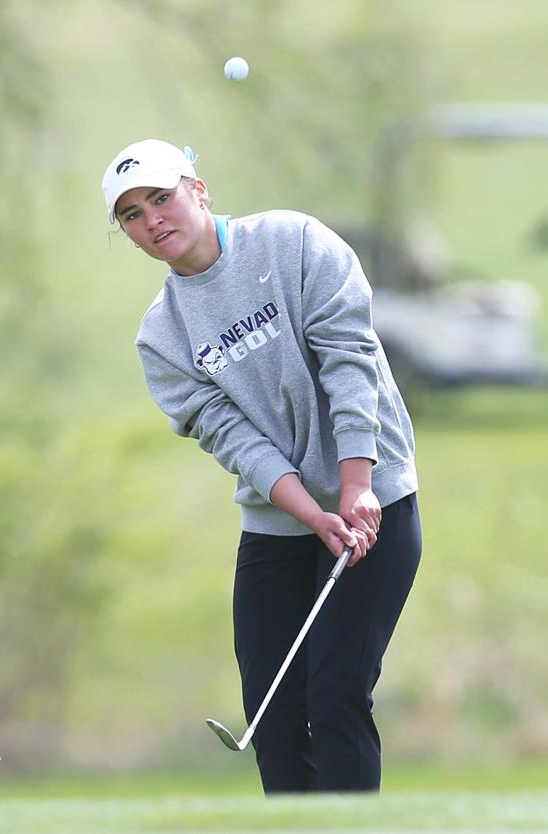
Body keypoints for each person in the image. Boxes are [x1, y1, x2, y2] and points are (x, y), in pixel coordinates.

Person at [102, 138, 421, 794]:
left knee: (335, 696)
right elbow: (237, 442)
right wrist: (312, 513)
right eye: (132, 214)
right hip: (280, 524)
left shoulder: (295, 243)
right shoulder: (162, 336)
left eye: (161, 197)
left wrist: (356, 488)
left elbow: (350, 360)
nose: (152, 219)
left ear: (199, 189)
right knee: (273, 716)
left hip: (375, 507)